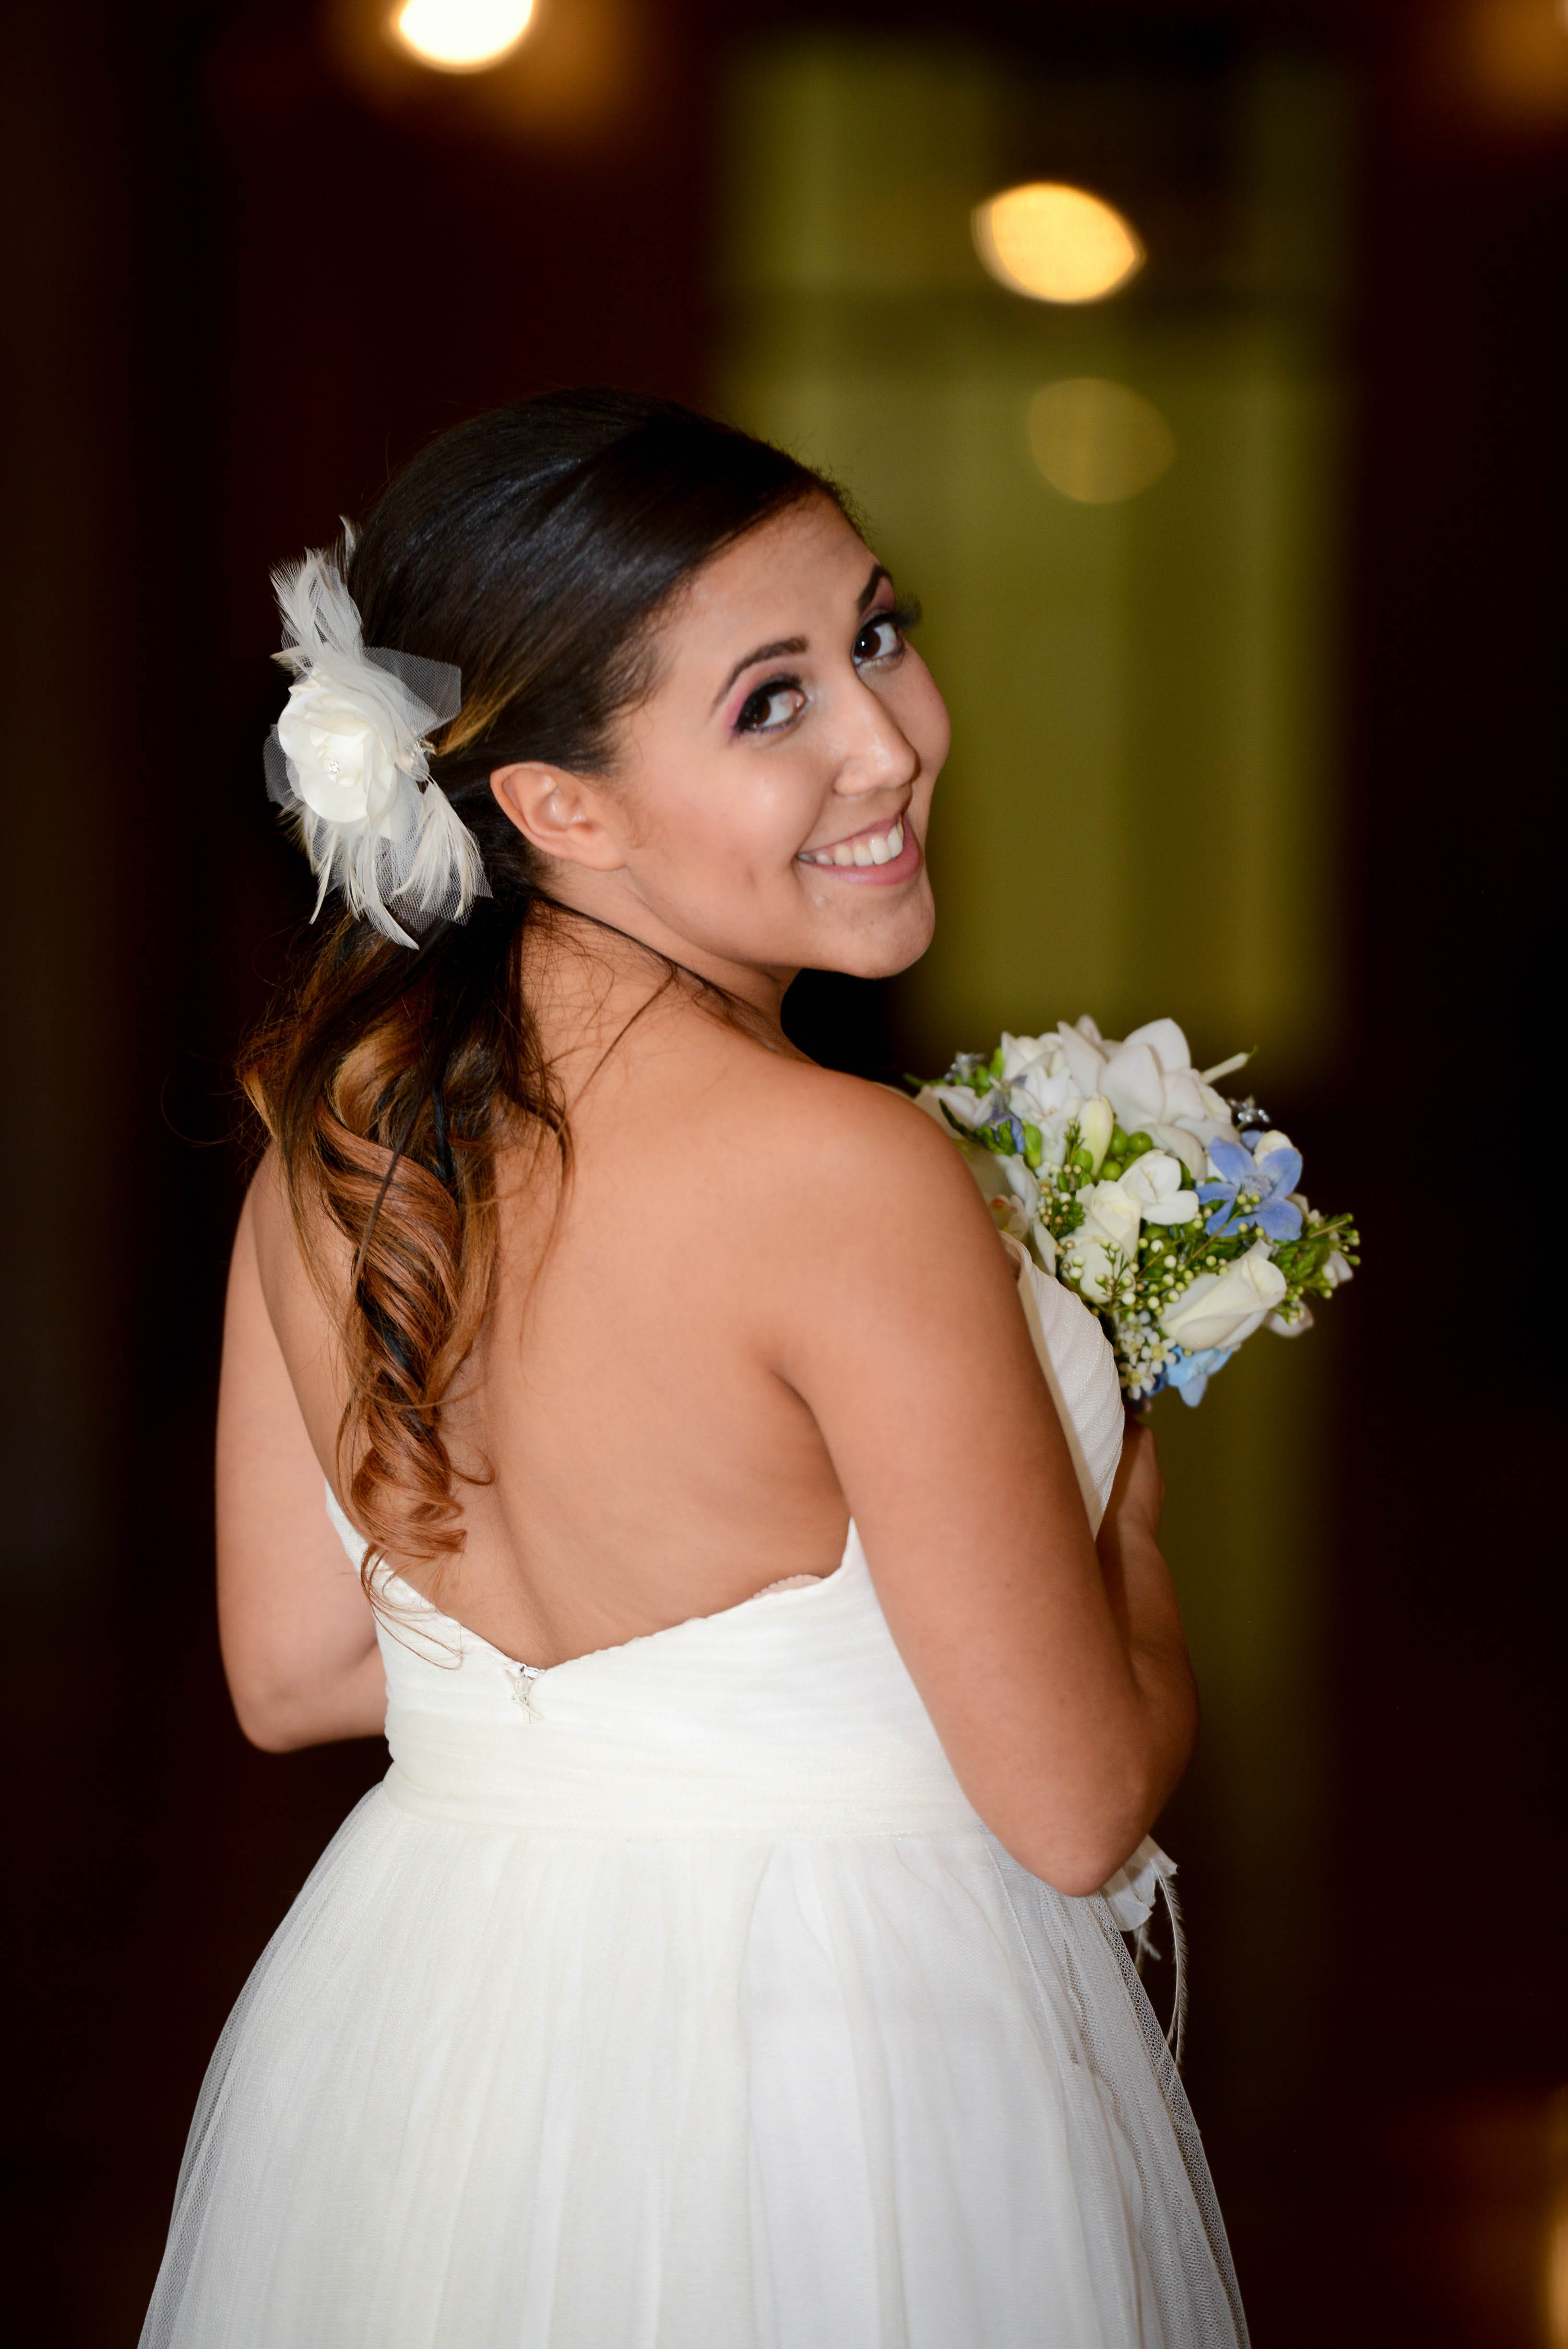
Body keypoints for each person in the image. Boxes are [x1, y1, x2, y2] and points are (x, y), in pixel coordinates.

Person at [141, 390, 1247, 2347]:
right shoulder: (844, 1172)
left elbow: (297, 1674)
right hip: (837, 2059)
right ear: (554, 808)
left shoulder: (347, 1129)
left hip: (439, 2021)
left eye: (876, 639)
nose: (887, 742)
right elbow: (1075, 1812)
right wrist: (1126, 1523)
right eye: (769, 704)